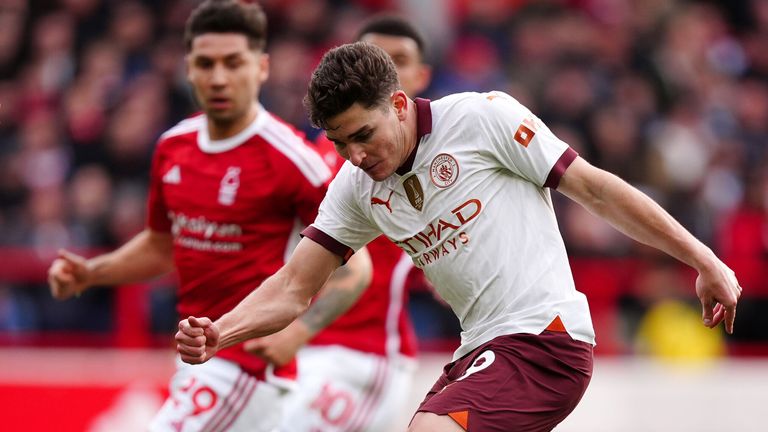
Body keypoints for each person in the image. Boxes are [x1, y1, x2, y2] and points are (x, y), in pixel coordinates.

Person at [175, 42, 742, 431]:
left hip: (545, 339)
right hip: (479, 351)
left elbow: (595, 190)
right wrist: (219, 333)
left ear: (398, 104)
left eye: (364, 135)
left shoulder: (480, 119)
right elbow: (295, 287)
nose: (356, 155)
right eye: (342, 143)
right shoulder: (356, 187)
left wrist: (704, 259)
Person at [46, 2, 371, 431]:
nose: (219, 77)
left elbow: (355, 268)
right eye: (206, 63)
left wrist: (296, 333)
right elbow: (162, 246)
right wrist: (91, 272)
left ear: (261, 67)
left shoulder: (291, 158)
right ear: (189, 69)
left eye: (233, 63)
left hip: (245, 369)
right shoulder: (172, 146)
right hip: (195, 364)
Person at [243, 15, 433, 431]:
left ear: (418, 79)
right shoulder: (319, 158)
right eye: (377, 57)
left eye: (400, 60)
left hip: (360, 355)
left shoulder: (436, 161)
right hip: (296, 348)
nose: (389, 69)